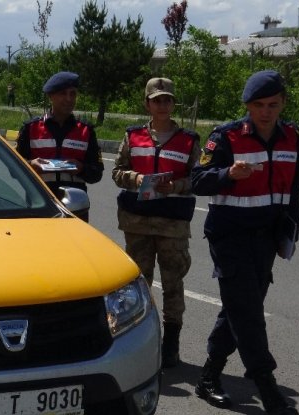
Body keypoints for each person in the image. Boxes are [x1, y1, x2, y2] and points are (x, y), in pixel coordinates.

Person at [191, 70, 299, 415]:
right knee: (249, 313)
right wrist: (227, 175)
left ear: (283, 102)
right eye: (258, 105)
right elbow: (198, 180)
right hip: (230, 236)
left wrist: (289, 232)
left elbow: (295, 190)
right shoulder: (226, 137)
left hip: (266, 238)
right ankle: (267, 387)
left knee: (240, 307)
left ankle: (209, 375)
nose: (266, 112)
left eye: (273, 104)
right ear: (247, 106)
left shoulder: (292, 139)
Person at [112, 77, 200, 368]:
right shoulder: (133, 136)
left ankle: (171, 344)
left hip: (172, 224)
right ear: (147, 103)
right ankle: (140, 340)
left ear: (174, 104)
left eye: (168, 99)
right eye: (157, 99)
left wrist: (175, 186)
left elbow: (198, 179)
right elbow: (117, 172)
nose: (163, 105)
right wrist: (135, 178)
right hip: (137, 222)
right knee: (139, 284)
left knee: (173, 284)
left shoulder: (189, 140)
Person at [16, 71, 104, 221]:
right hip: (39, 206)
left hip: (75, 208)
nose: (69, 99)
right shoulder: (31, 128)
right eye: (63, 93)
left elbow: (97, 173)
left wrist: (82, 168)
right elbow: (14, 168)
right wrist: (31, 165)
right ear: (51, 96)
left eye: (73, 94)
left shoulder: (86, 131)